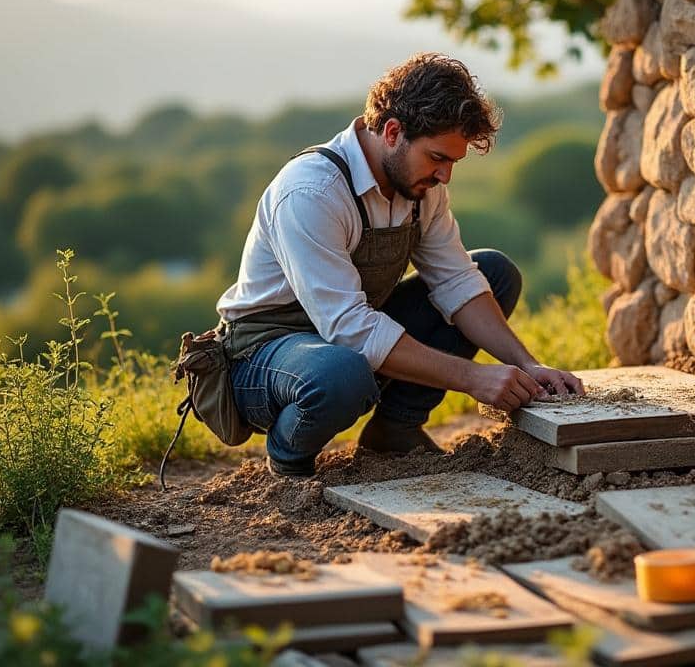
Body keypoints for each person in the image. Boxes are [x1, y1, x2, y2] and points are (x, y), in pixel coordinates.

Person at [214, 53, 583, 477]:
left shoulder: (421, 187)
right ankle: (289, 457)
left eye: (452, 163)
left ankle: (395, 430)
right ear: (392, 132)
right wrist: (473, 378)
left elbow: (457, 281)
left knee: (494, 273)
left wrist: (527, 365)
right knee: (342, 371)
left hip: (346, 336)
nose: (445, 176)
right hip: (265, 356)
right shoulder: (310, 193)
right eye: (437, 158)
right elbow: (349, 329)